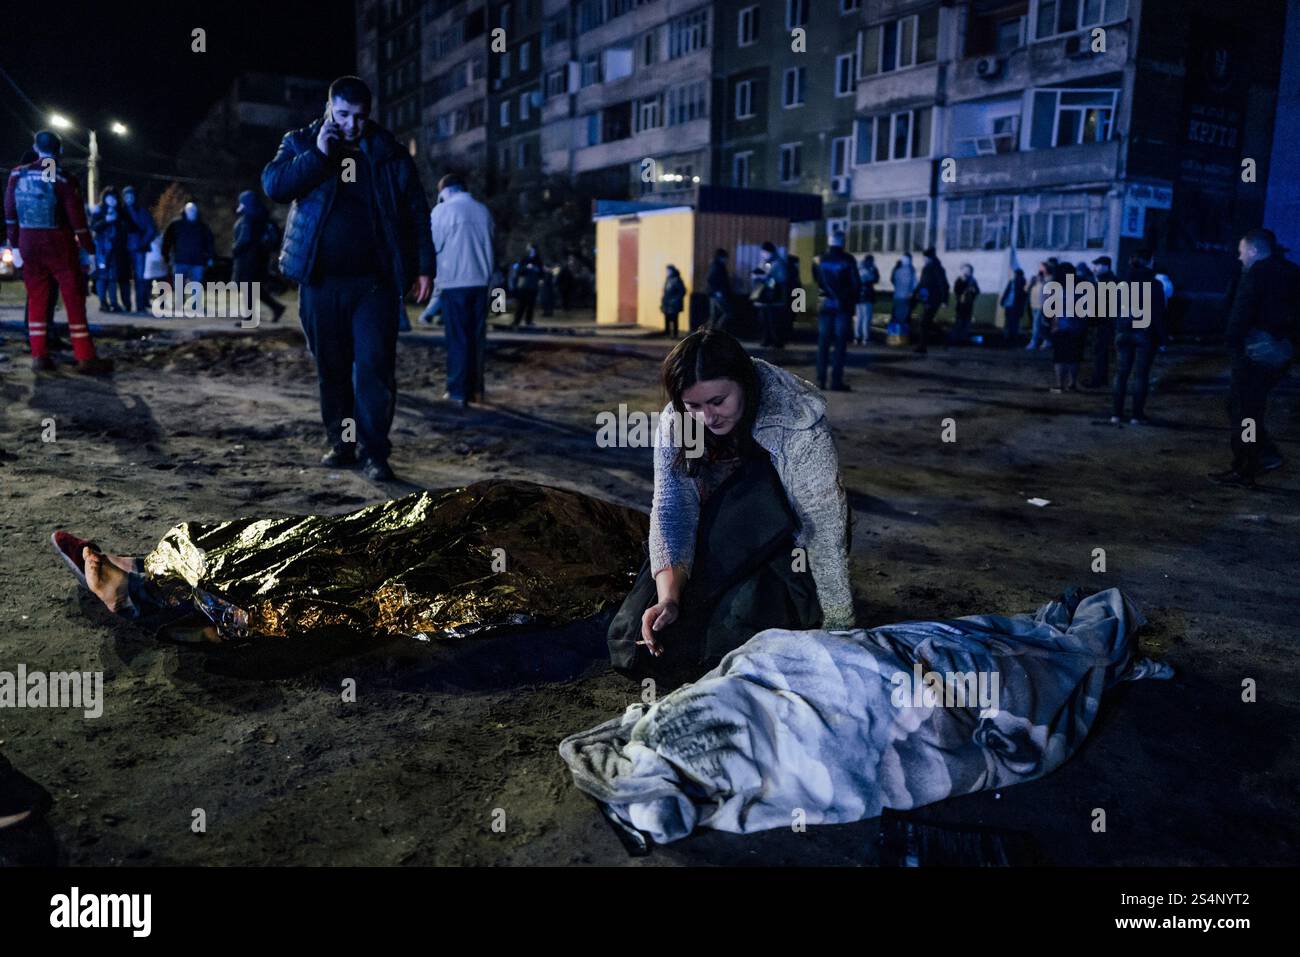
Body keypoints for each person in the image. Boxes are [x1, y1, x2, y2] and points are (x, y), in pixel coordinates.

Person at [50, 481, 647, 645]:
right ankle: (158, 573)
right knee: (336, 539)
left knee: (372, 582)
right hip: (517, 508)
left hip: (569, 537)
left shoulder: (648, 549)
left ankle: (158, 586)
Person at [606, 329, 853, 684]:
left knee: (731, 646)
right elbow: (673, 508)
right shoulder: (681, 422)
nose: (708, 417)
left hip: (781, 547)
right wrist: (669, 599)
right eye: (694, 406)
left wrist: (839, 624)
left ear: (745, 384)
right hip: (714, 538)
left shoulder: (796, 419)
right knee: (637, 642)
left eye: (718, 401)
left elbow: (824, 524)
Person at [262, 75, 434, 481]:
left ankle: (376, 453)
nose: (352, 125)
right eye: (343, 115)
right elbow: (275, 186)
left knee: (375, 367)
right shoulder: (302, 143)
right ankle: (343, 444)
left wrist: (425, 266)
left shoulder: (389, 153)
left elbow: (416, 213)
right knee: (332, 368)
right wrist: (320, 156)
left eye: (359, 117)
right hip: (320, 282)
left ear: (369, 114)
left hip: (374, 284)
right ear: (329, 109)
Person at [3, 130, 112, 374]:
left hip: (29, 243)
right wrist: (89, 248)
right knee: (73, 298)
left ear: (35, 146)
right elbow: (76, 217)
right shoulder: (61, 177)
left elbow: (10, 211)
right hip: (58, 243)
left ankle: (39, 355)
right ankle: (85, 356)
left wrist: (15, 244)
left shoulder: (16, 175)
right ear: (60, 150)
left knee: (37, 300)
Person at [1209, 228, 1299, 487]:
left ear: (1255, 250)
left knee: (1243, 411)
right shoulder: (1293, 272)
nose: (1239, 258)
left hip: (1252, 353)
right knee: (1248, 409)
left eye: (1241, 252)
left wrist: (1233, 343)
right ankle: (1262, 454)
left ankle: (1248, 465)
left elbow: (1241, 312)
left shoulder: (1256, 273)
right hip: (1279, 354)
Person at [428, 172, 494, 407]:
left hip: (454, 282)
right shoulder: (482, 210)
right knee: (476, 339)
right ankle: (477, 390)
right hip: (480, 282)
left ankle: (457, 391)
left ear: (445, 190)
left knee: (458, 339)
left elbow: (432, 246)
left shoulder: (442, 211)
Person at [1111, 249, 1167, 425]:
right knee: (1141, 376)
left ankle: (1116, 414)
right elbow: (1158, 314)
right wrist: (1163, 338)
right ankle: (1136, 415)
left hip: (1123, 332)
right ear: (1149, 262)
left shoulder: (1122, 283)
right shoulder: (1155, 284)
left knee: (1121, 374)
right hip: (1144, 333)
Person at [813, 229, 860, 391]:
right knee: (840, 345)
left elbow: (817, 280)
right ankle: (836, 381)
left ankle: (820, 380)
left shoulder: (819, 259)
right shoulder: (848, 260)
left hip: (825, 304)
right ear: (842, 242)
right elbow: (855, 284)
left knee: (823, 343)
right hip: (842, 307)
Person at [231, 190, 286, 323]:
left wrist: (235, 249)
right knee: (254, 288)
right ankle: (276, 307)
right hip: (260, 257)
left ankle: (250, 318)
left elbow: (245, 238)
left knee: (247, 287)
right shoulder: (262, 215)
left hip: (247, 258)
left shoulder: (248, 217)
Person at [1049, 261, 1085, 392]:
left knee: (1060, 357)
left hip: (1060, 326)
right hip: (1077, 327)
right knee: (1074, 357)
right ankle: (1072, 383)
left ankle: (1059, 385)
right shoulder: (1081, 289)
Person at [121, 185, 156, 314]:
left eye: (131, 196)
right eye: (126, 196)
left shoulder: (142, 211)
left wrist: (143, 242)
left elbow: (151, 229)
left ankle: (140, 305)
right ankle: (127, 305)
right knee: (124, 277)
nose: (129, 199)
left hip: (139, 249)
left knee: (140, 278)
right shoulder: (121, 211)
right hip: (123, 249)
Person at [162, 202, 215, 288]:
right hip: (180, 261)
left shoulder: (203, 227)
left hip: (198, 262)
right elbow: (167, 240)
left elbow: (209, 242)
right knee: (179, 287)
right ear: (185, 211)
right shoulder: (176, 225)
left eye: (194, 210)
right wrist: (165, 255)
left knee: (197, 287)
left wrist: (210, 257)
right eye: (190, 210)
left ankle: (195, 302)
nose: (192, 212)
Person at [1085, 255, 1118, 385]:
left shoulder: (1107, 281)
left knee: (1100, 350)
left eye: (1098, 265)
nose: (1095, 268)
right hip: (1104, 320)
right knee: (1101, 351)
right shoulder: (1106, 280)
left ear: (1106, 266)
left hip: (1104, 321)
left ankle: (1098, 379)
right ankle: (1100, 378)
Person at [750, 241, 790, 348]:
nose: (763, 255)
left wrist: (766, 279)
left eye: (764, 252)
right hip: (765, 298)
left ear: (769, 252)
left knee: (774, 321)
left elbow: (781, 281)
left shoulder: (778, 264)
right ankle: (766, 339)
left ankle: (776, 341)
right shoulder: (765, 263)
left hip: (775, 298)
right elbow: (758, 275)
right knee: (764, 320)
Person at [912, 246, 949, 355]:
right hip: (926, 298)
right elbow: (922, 282)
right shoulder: (927, 268)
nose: (923, 259)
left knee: (924, 322)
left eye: (925, 257)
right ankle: (943, 335)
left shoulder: (937, 268)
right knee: (927, 322)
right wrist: (915, 292)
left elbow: (943, 284)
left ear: (930, 258)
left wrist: (944, 300)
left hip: (934, 299)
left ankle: (922, 346)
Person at [511, 244, 543, 327]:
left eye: (534, 250)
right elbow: (519, 271)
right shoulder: (524, 259)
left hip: (533, 285)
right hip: (524, 285)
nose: (533, 252)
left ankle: (528, 321)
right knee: (521, 304)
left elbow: (541, 272)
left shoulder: (538, 260)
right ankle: (516, 321)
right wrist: (526, 267)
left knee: (531, 305)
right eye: (531, 250)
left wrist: (537, 271)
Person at [948, 263, 979, 344]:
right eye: (964, 270)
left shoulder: (973, 280)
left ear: (971, 272)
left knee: (966, 322)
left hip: (969, 304)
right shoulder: (959, 280)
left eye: (968, 270)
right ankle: (955, 339)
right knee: (959, 321)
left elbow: (977, 291)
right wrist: (963, 284)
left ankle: (963, 339)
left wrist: (973, 291)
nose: (966, 272)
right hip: (960, 304)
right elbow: (956, 291)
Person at [889, 253, 916, 341]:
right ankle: (902, 338)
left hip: (897, 296)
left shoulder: (896, 268)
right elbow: (914, 284)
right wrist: (912, 292)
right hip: (905, 297)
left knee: (895, 317)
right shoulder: (911, 269)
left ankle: (893, 338)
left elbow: (892, 280)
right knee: (904, 318)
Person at [1025, 261, 1052, 350]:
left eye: (1042, 267)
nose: (1040, 269)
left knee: (1036, 325)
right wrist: (1031, 282)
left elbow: (1049, 291)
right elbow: (1026, 289)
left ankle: (1034, 342)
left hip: (1042, 305)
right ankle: (1047, 341)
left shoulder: (1049, 279)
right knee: (1039, 325)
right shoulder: (1035, 279)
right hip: (1033, 305)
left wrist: (1042, 280)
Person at [855, 253, 879, 345]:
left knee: (859, 318)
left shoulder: (858, 268)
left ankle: (857, 337)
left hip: (858, 296)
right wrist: (874, 269)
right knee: (866, 318)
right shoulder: (870, 269)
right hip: (867, 296)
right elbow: (876, 279)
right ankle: (866, 338)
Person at [706, 248, 731, 330]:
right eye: (725, 258)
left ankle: (709, 332)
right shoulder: (718, 266)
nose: (726, 260)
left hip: (713, 293)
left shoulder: (714, 265)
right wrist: (718, 291)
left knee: (713, 315)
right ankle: (716, 330)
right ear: (721, 257)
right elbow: (711, 279)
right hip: (718, 294)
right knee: (727, 312)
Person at [1001, 268, 1027, 346]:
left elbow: (1007, 291)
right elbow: (1023, 295)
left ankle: (1008, 337)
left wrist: (1002, 301)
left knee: (1009, 321)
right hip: (1015, 305)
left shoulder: (1014, 282)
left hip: (1010, 304)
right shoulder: (1022, 282)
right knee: (1014, 322)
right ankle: (1012, 337)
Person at [661, 264, 686, 338]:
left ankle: (675, 334)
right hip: (667, 302)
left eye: (668, 271)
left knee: (674, 319)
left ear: (672, 271)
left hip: (674, 303)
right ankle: (667, 333)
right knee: (667, 318)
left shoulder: (677, 279)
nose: (667, 272)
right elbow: (666, 291)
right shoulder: (668, 279)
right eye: (666, 271)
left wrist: (676, 299)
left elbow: (682, 291)